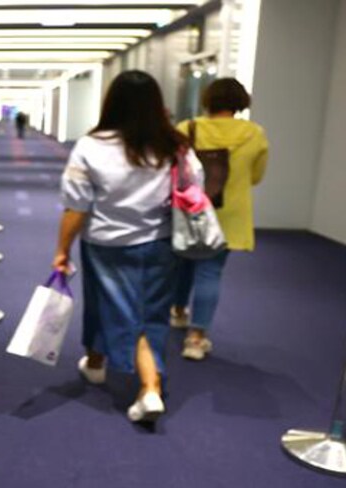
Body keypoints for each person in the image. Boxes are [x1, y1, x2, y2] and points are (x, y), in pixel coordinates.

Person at [53, 70, 203, 423]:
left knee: (120, 311)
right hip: (161, 243)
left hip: (107, 244)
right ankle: (95, 363)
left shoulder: (92, 145)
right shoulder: (174, 145)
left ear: (111, 103)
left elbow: (77, 205)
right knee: (150, 312)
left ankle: (149, 388)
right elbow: (194, 184)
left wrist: (62, 249)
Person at [171, 78, 269, 360]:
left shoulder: (186, 129)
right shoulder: (255, 134)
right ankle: (196, 337)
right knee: (209, 272)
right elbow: (257, 176)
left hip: (189, 210)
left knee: (182, 262)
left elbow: (172, 169)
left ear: (208, 100)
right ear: (241, 103)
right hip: (228, 215)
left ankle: (177, 311)